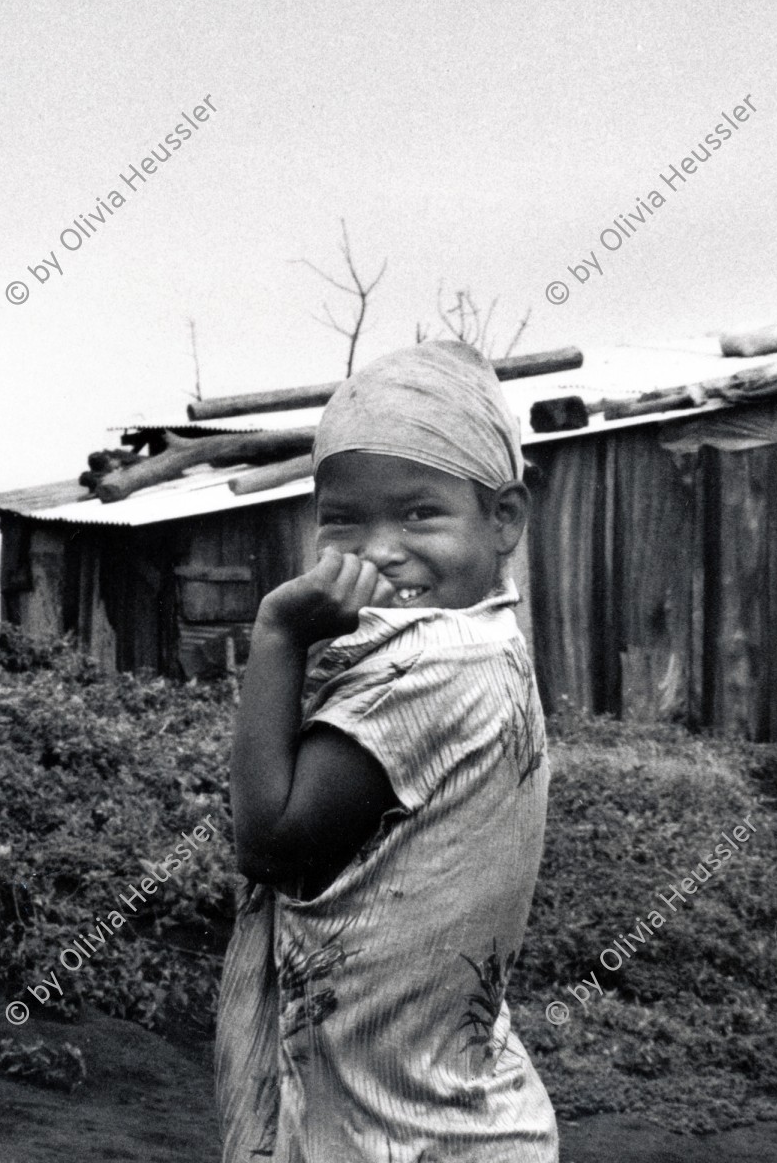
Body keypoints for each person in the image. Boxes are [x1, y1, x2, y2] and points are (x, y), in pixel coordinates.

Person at [215, 340, 559, 1162]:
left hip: (405, 1137)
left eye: (419, 514)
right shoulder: (487, 639)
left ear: (503, 519)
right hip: (445, 1118)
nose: (379, 548)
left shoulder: (428, 668)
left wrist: (278, 632)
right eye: (343, 519)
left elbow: (267, 840)